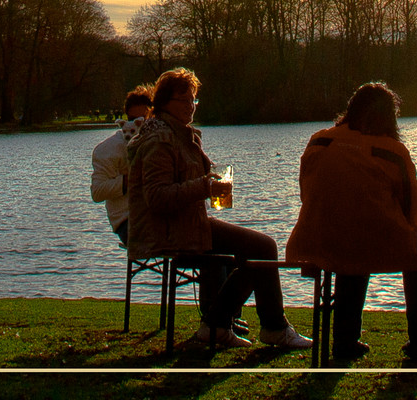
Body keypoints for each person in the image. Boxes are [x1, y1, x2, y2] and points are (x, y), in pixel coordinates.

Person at [126, 67, 313, 351]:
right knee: (262, 248)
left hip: (188, 223)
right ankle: (266, 327)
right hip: (166, 233)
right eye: (184, 100)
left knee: (257, 249)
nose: (191, 106)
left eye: (194, 101)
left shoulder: (182, 135)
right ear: (164, 103)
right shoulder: (159, 140)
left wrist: (209, 182)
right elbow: (156, 198)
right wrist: (204, 187)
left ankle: (219, 325)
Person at [285, 82, 417, 368]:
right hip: (371, 242)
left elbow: (307, 192)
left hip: (316, 239)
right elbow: (412, 211)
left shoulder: (319, 140)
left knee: (349, 247)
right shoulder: (391, 150)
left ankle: (344, 339)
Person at [91, 86, 155, 246]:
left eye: (143, 120)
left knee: (212, 242)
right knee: (196, 238)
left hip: (164, 216)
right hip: (128, 221)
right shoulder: (107, 149)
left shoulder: (161, 142)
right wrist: (131, 179)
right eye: (134, 120)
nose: (139, 126)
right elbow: (97, 193)